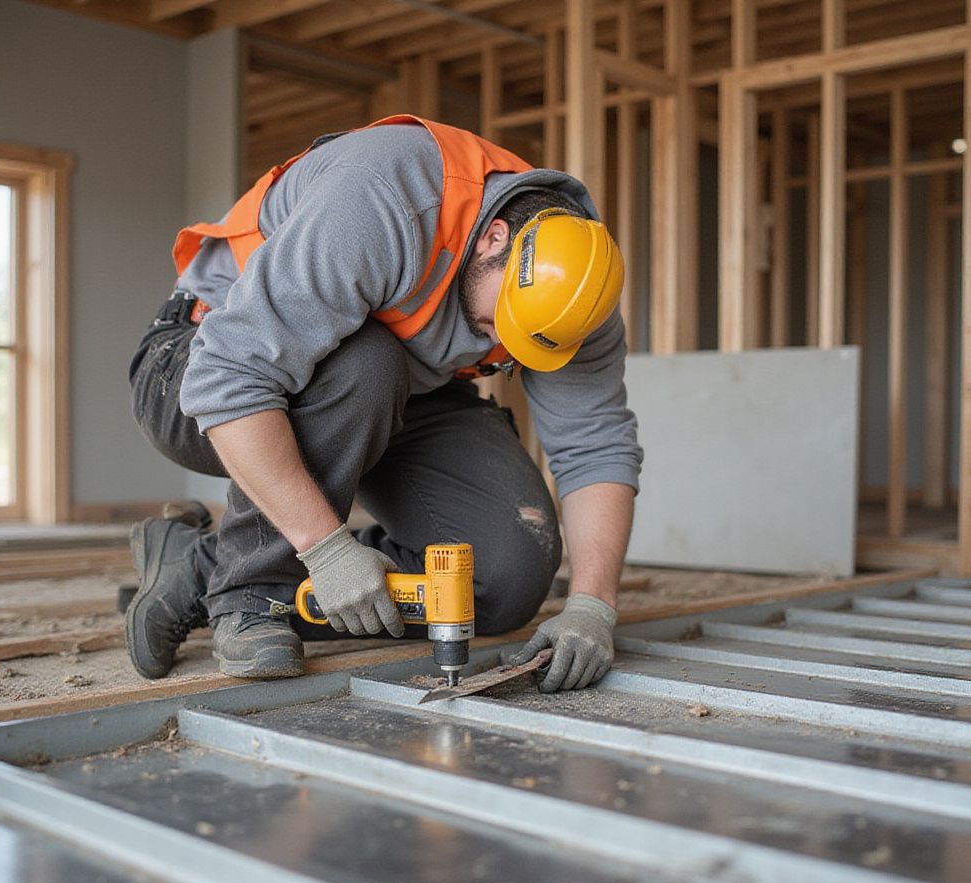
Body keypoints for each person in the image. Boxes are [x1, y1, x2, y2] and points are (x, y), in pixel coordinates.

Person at [126, 114, 642, 692]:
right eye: (502, 320)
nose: (499, 337)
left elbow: (595, 446)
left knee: (502, 577)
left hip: (400, 387)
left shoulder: (574, 296)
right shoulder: (387, 197)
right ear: (495, 237)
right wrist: (324, 550)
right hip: (203, 363)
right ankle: (252, 592)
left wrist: (594, 606)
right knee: (366, 363)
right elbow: (228, 377)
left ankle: (197, 567)